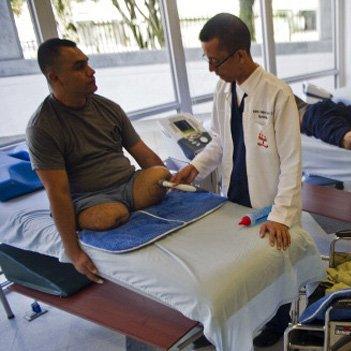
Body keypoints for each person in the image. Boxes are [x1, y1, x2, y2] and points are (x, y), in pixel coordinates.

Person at [169, 13, 303, 347]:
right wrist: (195, 168)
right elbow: (219, 141)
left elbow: (291, 163)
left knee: (277, 265)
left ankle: (279, 319)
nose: (211, 68)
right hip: (234, 195)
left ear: (240, 55)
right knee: (237, 266)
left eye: (215, 59)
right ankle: (231, 320)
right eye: (207, 59)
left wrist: (280, 216)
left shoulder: (277, 94)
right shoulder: (223, 89)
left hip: (270, 201)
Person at [26, 38, 170, 284]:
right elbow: (58, 192)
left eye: (88, 64)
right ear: (55, 77)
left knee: (159, 176)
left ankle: (130, 208)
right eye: (79, 67)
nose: (91, 72)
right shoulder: (42, 127)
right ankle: (121, 211)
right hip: (89, 199)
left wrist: (172, 180)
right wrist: (73, 253)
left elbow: (143, 153)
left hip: (128, 183)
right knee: (109, 216)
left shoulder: (109, 108)